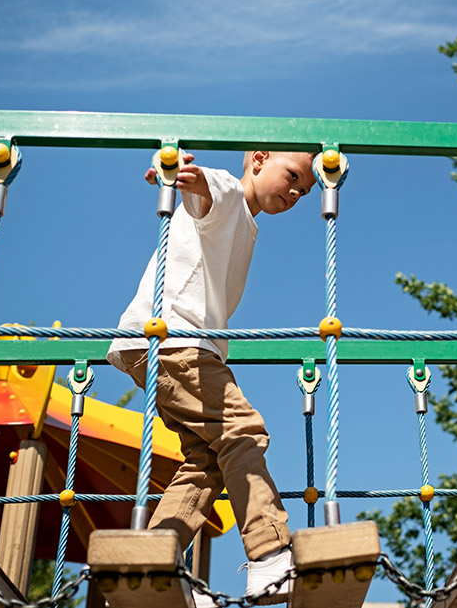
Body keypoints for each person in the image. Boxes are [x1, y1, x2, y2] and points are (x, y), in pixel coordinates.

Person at [107, 149, 317, 604]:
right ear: (258, 160)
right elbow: (206, 189)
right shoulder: (227, 194)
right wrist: (183, 173)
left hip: (166, 349)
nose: (298, 192)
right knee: (242, 432)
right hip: (174, 343)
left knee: (206, 462)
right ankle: (269, 555)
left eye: (306, 190)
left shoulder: (246, 222)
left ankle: (153, 563)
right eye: (294, 176)